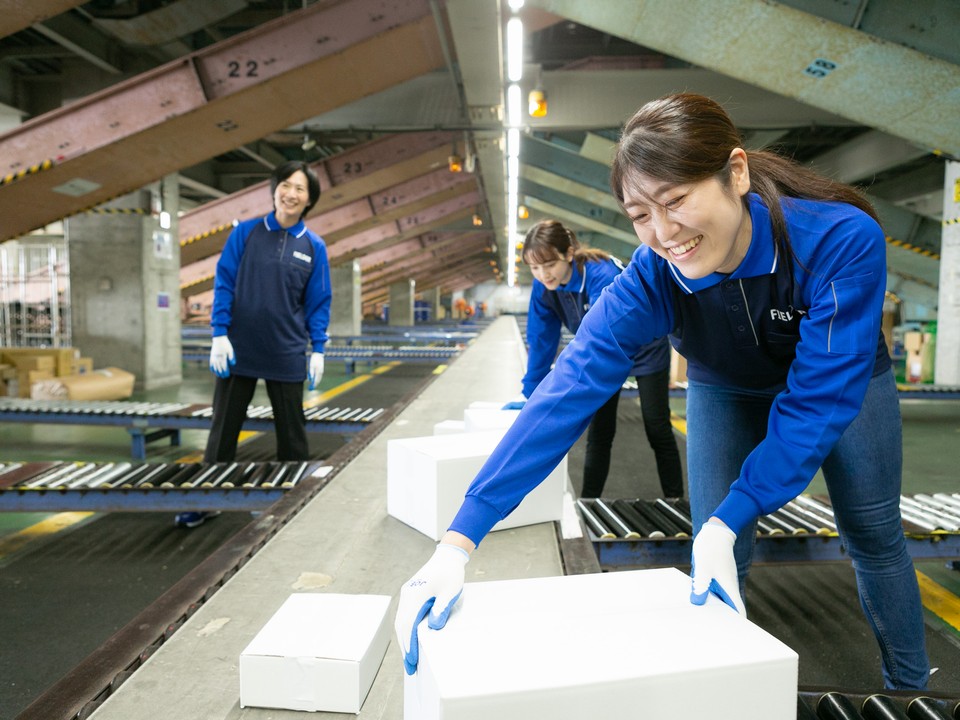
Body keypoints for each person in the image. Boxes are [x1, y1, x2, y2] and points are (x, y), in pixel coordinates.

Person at [395, 93, 929, 689]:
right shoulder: (651, 275)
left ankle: (909, 688)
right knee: (718, 551)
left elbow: (819, 402)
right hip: (724, 385)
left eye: (675, 202)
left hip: (845, 384)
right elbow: (570, 386)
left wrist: (736, 510)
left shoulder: (837, 239)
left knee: (873, 535)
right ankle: (723, 693)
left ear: (736, 173)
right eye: (640, 215)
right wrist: (459, 541)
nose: (664, 233)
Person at [175, 160, 332, 528]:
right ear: (274, 188)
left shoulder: (314, 246)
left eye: (300, 189)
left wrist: (319, 348)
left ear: (309, 200)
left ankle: (289, 503)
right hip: (238, 349)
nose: (290, 193)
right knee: (223, 431)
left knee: (292, 437)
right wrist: (218, 334)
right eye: (285, 185)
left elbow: (318, 301)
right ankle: (208, 499)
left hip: (286, 350)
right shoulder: (245, 234)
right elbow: (225, 282)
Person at [516, 219, 683, 499]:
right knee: (600, 432)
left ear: (568, 254)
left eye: (549, 265)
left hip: (645, 347)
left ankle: (676, 500)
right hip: (604, 349)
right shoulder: (543, 288)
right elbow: (541, 339)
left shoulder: (601, 274)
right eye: (534, 268)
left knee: (657, 426)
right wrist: (531, 393)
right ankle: (588, 501)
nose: (543, 274)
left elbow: (598, 339)